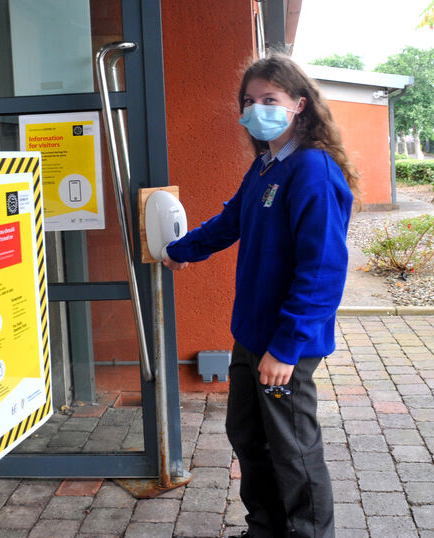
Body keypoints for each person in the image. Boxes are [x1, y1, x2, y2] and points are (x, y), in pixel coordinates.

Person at [163, 53, 357, 537]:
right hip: (251, 336)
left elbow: (323, 270)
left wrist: (287, 347)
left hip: (284, 343)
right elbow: (232, 219)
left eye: (269, 99)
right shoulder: (267, 167)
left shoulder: (313, 170)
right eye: (249, 101)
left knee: (292, 448)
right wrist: (181, 249)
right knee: (248, 436)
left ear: (299, 104)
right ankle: (265, 529)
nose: (256, 109)